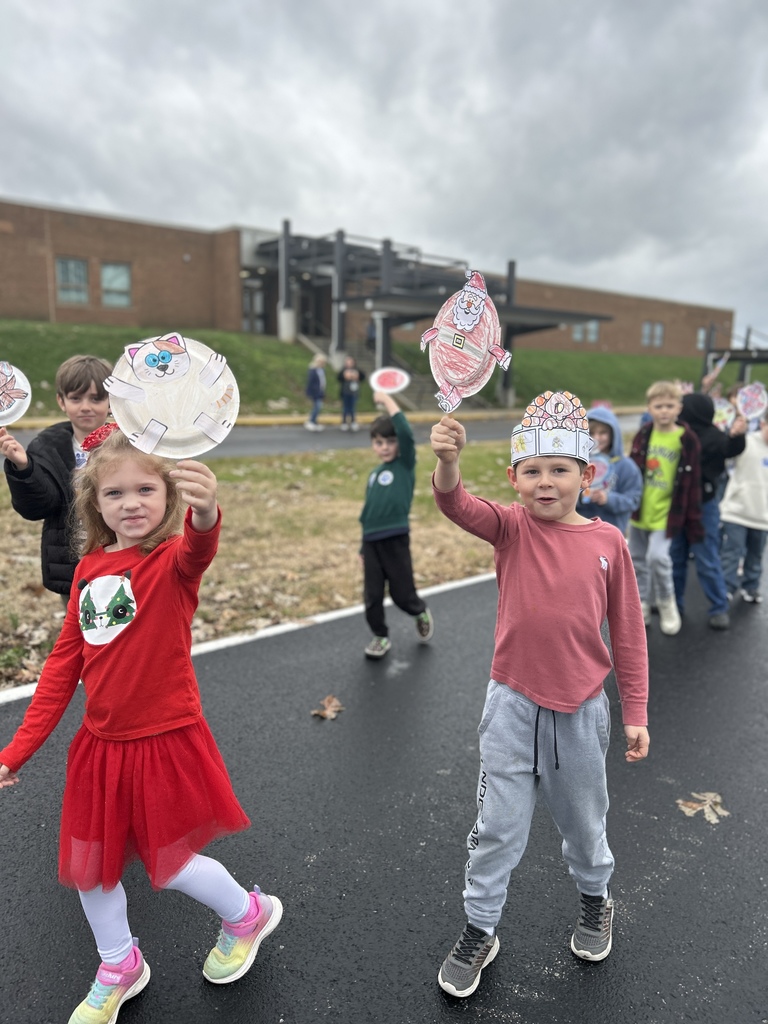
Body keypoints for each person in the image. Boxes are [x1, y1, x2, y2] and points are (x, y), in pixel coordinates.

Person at [0, 426, 282, 1023]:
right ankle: (118, 964)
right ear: (94, 504)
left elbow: (198, 547)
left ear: (169, 495)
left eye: (146, 489)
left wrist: (205, 511)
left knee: (171, 863)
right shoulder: (87, 570)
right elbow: (61, 669)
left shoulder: (171, 562)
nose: (131, 503)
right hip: (99, 748)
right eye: (115, 493)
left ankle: (247, 915)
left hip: (162, 741)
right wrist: (14, 752)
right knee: (90, 867)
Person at [430, 390, 649, 999]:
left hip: (580, 711)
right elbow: (455, 503)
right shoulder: (511, 528)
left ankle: (595, 899)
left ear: (588, 474)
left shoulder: (609, 543)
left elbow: (628, 632)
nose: (545, 482)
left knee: (584, 824)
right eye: (532, 471)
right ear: (514, 479)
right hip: (511, 705)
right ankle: (480, 928)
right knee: (496, 829)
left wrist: (635, 710)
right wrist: (448, 462)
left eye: (559, 470)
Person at [0, 354, 112, 606]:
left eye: (96, 398)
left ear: (111, 400)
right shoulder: (46, 447)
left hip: (123, 559)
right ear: (61, 401)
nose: (86, 406)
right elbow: (37, 507)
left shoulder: (128, 445)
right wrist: (23, 467)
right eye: (76, 398)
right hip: (73, 565)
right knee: (77, 626)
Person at [360, 391, 433, 659]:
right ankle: (380, 636)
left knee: (402, 593)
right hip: (371, 541)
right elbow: (367, 513)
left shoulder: (405, 464)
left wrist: (387, 401)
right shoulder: (374, 474)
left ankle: (419, 611)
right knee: (372, 595)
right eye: (379, 442)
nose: (385, 447)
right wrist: (362, 548)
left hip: (396, 538)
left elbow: (404, 431)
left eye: (390, 441)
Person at [628, 381, 704, 636]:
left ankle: (666, 601)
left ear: (679, 408)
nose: (664, 411)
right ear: (649, 408)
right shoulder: (644, 434)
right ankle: (642, 601)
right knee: (637, 560)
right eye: (658, 406)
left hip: (668, 513)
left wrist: (692, 518)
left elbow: (693, 481)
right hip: (641, 510)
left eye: (669, 406)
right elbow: (631, 469)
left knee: (658, 557)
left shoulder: (687, 439)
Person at [671, 392, 747, 630]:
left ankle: (719, 607)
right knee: (675, 557)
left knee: (706, 558)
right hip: (677, 505)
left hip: (703, 506)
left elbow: (730, 448)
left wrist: (737, 436)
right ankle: (674, 605)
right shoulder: (676, 433)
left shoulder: (713, 435)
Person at [719, 409, 768, 604]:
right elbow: (727, 453)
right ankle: (726, 587)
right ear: (763, 423)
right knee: (732, 552)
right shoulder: (746, 442)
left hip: (763, 515)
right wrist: (734, 434)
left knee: (755, 555)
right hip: (736, 511)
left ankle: (751, 586)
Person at [575, 406, 643, 535]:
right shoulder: (576, 464)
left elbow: (633, 500)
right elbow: (562, 494)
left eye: (603, 433)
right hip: (578, 532)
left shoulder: (626, 466)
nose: (596, 438)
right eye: (591, 433)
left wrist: (608, 499)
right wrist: (580, 497)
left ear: (613, 434)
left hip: (612, 533)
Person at [337, 355, 365, 431]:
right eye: (348, 362)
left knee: (352, 408)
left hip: (354, 392)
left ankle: (353, 422)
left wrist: (357, 376)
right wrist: (345, 376)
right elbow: (339, 378)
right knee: (345, 408)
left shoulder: (356, 370)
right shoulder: (343, 370)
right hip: (345, 392)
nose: (349, 363)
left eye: (351, 362)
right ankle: (344, 422)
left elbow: (363, 377)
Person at [304, 353, 327, 431]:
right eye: (319, 361)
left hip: (320, 391)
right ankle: (311, 422)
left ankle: (314, 422)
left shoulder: (322, 370)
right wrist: (310, 392)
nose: (321, 363)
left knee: (317, 407)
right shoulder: (313, 370)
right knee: (317, 407)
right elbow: (310, 382)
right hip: (315, 392)